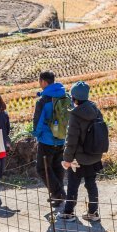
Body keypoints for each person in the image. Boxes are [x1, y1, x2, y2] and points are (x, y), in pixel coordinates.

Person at [60, 81, 104, 222]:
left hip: (78, 158)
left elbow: (71, 140)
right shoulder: (96, 110)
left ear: (74, 98)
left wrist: (67, 159)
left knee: (73, 184)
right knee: (91, 184)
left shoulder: (75, 115)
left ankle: (68, 212)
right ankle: (93, 212)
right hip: (94, 155)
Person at [33, 70, 69, 208]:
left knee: (42, 169)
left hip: (47, 140)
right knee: (56, 167)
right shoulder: (65, 95)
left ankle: (58, 193)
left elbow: (38, 123)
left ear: (43, 81)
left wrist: (37, 135)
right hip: (62, 138)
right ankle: (57, 197)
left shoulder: (43, 100)